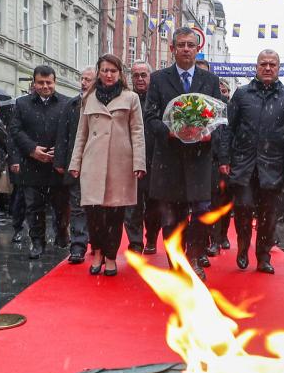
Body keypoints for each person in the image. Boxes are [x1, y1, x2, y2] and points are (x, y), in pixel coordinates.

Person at [144, 27, 226, 279]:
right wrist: (172, 132)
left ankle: (193, 259)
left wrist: (209, 134)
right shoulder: (158, 79)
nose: (186, 49)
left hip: (200, 160)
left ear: (197, 49)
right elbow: (151, 118)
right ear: (172, 49)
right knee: (171, 218)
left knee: (202, 213)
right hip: (169, 160)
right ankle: (176, 262)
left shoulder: (210, 81)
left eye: (191, 45)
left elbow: (221, 118)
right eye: (181, 45)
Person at [67, 54, 145, 276]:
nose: (108, 74)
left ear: (120, 73)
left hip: (120, 163)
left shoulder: (131, 98)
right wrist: (76, 162)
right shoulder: (88, 98)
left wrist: (139, 162)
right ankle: (98, 251)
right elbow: (81, 134)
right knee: (93, 213)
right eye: (104, 70)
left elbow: (137, 132)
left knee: (114, 215)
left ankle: (111, 256)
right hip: (93, 162)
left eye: (113, 70)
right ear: (98, 72)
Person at [228, 50, 284, 273]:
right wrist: (225, 158)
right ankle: (243, 247)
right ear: (256, 67)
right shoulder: (241, 94)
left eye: (272, 64)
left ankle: (263, 256)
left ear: (278, 68)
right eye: (263, 64)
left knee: (269, 215)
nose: (267, 68)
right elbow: (228, 128)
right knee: (243, 208)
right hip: (244, 164)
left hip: (273, 165)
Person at [9, 65, 67, 260]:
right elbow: (15, 130)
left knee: (60, 206)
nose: (45, 86)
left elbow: (70, 132)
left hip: (56, 165)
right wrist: (32, 149)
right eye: (41, 83)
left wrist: (58, 150)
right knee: (33, 207)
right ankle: (37, 242)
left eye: (49, 82)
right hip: (31, 164)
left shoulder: (65, 104)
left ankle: (61, 236)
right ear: (34, 83)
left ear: (54, 82)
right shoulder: (22, 104)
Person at [52, 66, 94, 263]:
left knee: (96, 206)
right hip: (75, 163)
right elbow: (63, 135)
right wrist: (60, 161)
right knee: (76, 206)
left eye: (88, 79)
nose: (84, 82)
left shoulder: (103, 103)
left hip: (96, 164)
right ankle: (77, 246)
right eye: (82, 78)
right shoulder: (72, 105)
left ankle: (96, 240)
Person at [123, 60, 160, 254]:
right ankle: (135, 242)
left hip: (155, 160)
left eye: (143, 75)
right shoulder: (126, 99)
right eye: (135, 75)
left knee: (154, 206)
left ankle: (152, 237)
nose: (139, 79)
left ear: (150, 77)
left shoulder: (157, 98)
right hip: (130, 161)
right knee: (132, 205)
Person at [208, 79, 234, 256]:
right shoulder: (207, 108)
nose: (221, 93)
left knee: (225, 202)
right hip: (211, 160)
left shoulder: (230, 108)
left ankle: (222, 234)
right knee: (213, 202)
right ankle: (214, 239)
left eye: (224, 91)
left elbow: (229, 134)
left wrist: (227, 158)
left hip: (228, 162)